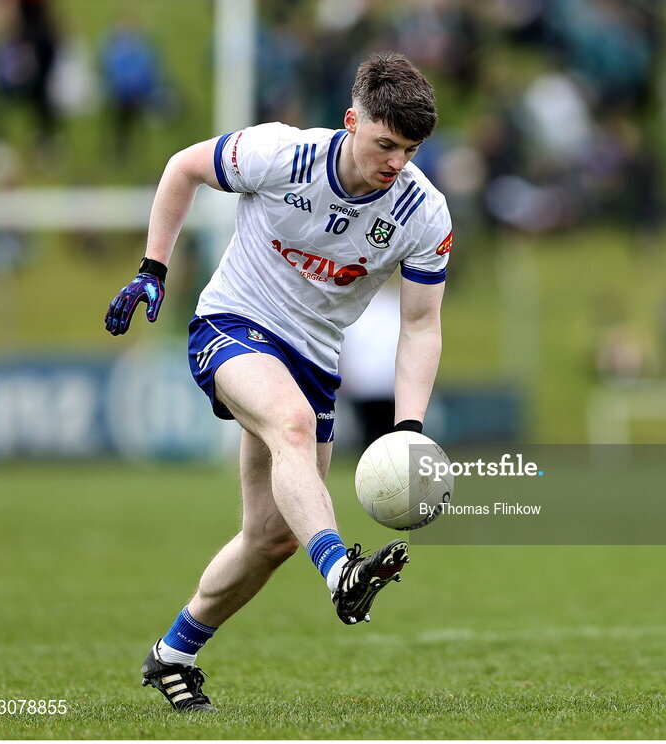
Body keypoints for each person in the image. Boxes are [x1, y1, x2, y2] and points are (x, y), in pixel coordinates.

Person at [104, 52, 452, 712]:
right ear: (352, 122)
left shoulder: (423, 213)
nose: (395, 163)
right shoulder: (281, 154)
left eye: (408, 150)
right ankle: (342, 573)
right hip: (233, 324)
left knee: (270, 538)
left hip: (315, 361)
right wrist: (153, 267)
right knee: (289, 425)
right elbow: (183, 168)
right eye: (384, 144)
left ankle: (172, 655)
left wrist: (407, 429)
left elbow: (422, 325)